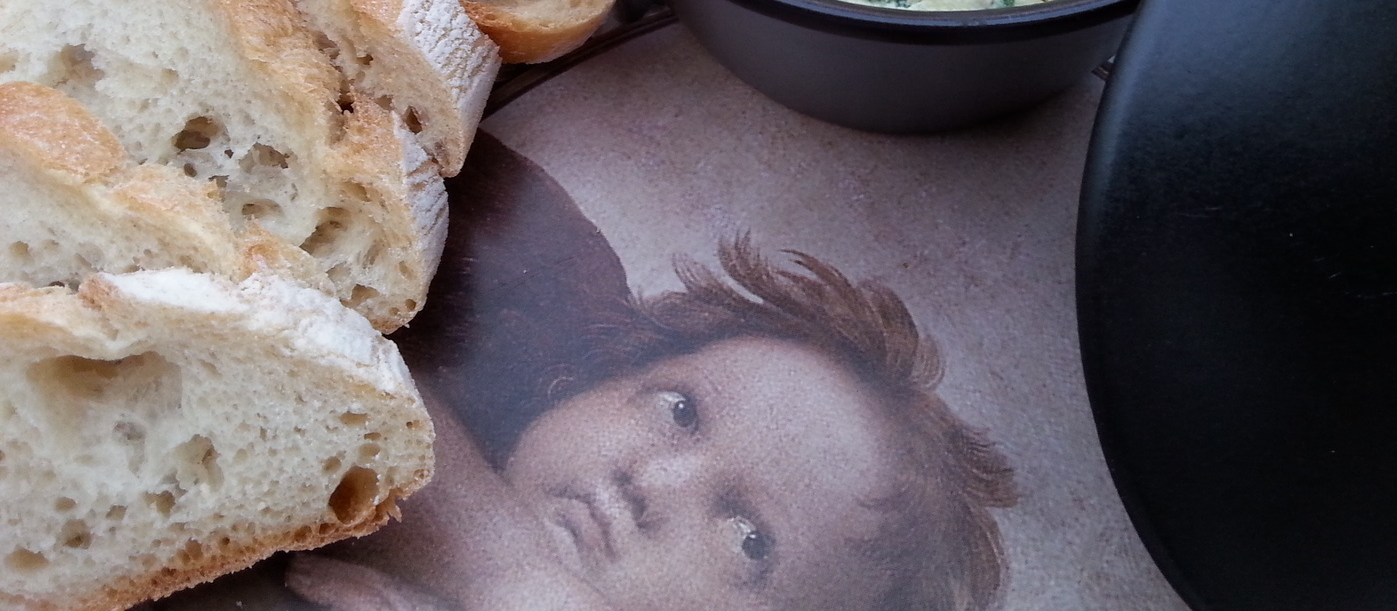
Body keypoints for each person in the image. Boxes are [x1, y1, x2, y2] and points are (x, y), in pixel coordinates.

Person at [287, 140, 1017, 611]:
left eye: (749, 538)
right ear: (605, 371)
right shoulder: (547, 290)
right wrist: (503, 570)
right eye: (678, 409)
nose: (653, 485)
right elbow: (309, 336)